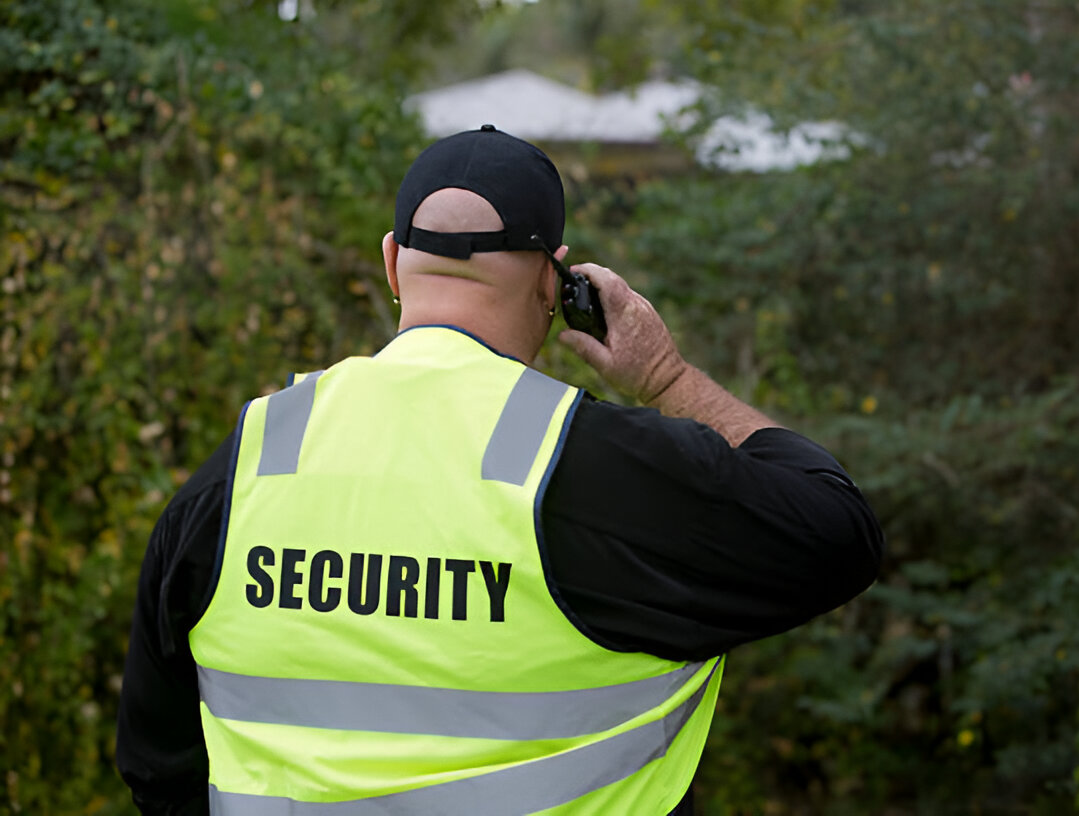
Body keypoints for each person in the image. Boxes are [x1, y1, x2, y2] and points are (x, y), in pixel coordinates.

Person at [116, 125, 884, 815]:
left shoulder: (252, 456)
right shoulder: (590, 464)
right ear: (554, 281)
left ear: (392, 260)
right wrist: (667, 381)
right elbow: (836, 529)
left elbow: (157, 763)